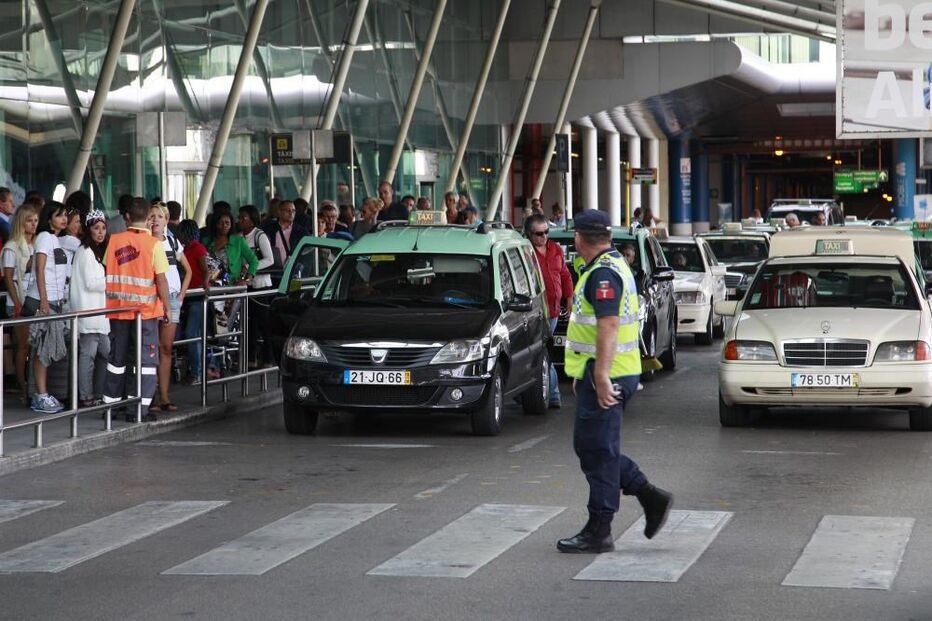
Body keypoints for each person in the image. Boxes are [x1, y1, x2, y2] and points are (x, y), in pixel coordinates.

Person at [557, 209, 673, 554]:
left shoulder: (603, 274)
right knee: (592, 448)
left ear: (580, 237)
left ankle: (600, 529)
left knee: (598, 451)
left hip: (611, 373)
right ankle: (649, 497)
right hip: (606, 371)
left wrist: (601, 375)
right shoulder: (609, 266)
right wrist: (587, 372)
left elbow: (607, 326)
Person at [102, 197, 171, 422]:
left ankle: (112, 407)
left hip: (117, 311)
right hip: (145, 313)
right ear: (148, 219)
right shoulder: (154, 245)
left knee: (117, 361)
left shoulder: (114, 241)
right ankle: (138, 409)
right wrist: (168, 309)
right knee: (145, 363)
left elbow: (107, 269)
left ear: (126, 217)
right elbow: (161, 280)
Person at [22, 202, 72, 414]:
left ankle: (42, 393)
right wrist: (44, 300)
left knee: (46, 349)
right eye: (59, 215)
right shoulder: (44, 237)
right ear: (49, 218)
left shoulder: (54, 239)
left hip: (54, 300)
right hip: (45, 300)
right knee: (43, 349)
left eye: (65, 216)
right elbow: (39, 270)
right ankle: (40, 394)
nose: (64, 219)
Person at [526, 214, 573, 408]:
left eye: (546, 232)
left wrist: (569, 299)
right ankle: (552, 394)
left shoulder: (554, 249)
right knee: (544, 354)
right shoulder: (526, 252)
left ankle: (551, 394)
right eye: (539, 233)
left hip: (553, 312)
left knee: (546, 352)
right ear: (529, 234)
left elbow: (565, 275)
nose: (544, 236)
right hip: (535, 312)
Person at [149, 203, 191, 412]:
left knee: (166, 348)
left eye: (160, 216)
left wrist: (181, 295)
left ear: (166, 220)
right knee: (150, 348)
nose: (155, 220)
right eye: (152, 216)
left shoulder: (172, 242)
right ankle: (151, 395)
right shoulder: (145, 243)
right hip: (151, 299)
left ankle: (164, 395)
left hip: (172, 298)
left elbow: (188, 270)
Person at [69, 210, 110, 408]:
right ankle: (87, 395)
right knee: (90, 356)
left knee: (104, 353)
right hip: (89, 312)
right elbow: (90, 283)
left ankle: (98, 392)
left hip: (97, 314)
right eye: (96, 228)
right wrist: (111, 280)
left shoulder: (94, 252)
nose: (100, 232)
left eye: (103, 228)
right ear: (88, 230)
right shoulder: (85, 252)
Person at [2, 204, 38, 402]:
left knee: (32, 347)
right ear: (21, 222)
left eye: (35, 220)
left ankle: (30, 386)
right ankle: (23, 388)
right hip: (18, 300)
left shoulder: (35, 245)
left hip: (32, 299)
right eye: (29, 220)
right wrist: (17, 303)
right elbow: (8, 278)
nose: (33, 224)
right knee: (22, 347)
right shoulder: (12, 247)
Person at [239, 205, 275, 367]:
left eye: (244, 217)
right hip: (246, 286)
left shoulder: (260, 236)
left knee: (264, 322)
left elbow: (269, 259)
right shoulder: (239, 237)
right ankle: (251, 358)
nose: (240, 220)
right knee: (249, 323)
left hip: (261, 285)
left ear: (252, 219)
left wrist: (251, 267)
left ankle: (268, 357)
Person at [176, 220, 209, 384]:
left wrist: (206, 286)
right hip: (188, 295)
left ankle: (197, 372)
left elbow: (205, 270)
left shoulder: (197, 248)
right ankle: (194, 370)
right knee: (190, 334)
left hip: (197, 296)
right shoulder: (185, 248)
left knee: (192, 334)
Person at [262, 200, 309, 270]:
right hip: (273, 270)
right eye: (288, 211)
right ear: (279, 212)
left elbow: (306, 253)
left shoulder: (301, 231)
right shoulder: (269, 229)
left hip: (292, 271)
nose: (291, 213)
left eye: (293, 211)